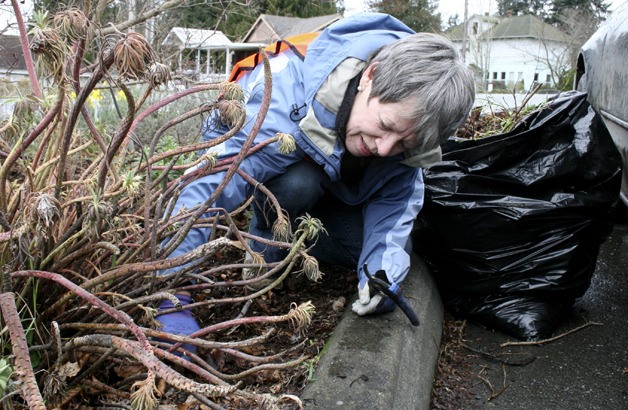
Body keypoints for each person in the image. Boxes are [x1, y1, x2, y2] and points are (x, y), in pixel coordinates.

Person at [155, 12, 476, 354]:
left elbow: (395, 210)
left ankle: (299, 246)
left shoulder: (400, 131)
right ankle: (265, 245)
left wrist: (381, 280)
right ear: (370, 76)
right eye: (385, 125)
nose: (384, 148)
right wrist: (172, 293)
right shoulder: (280, 96)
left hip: (335, 190)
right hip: (279, 181)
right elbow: (210, 182)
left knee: (365, 254)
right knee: (299, 184)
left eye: (403, 144)